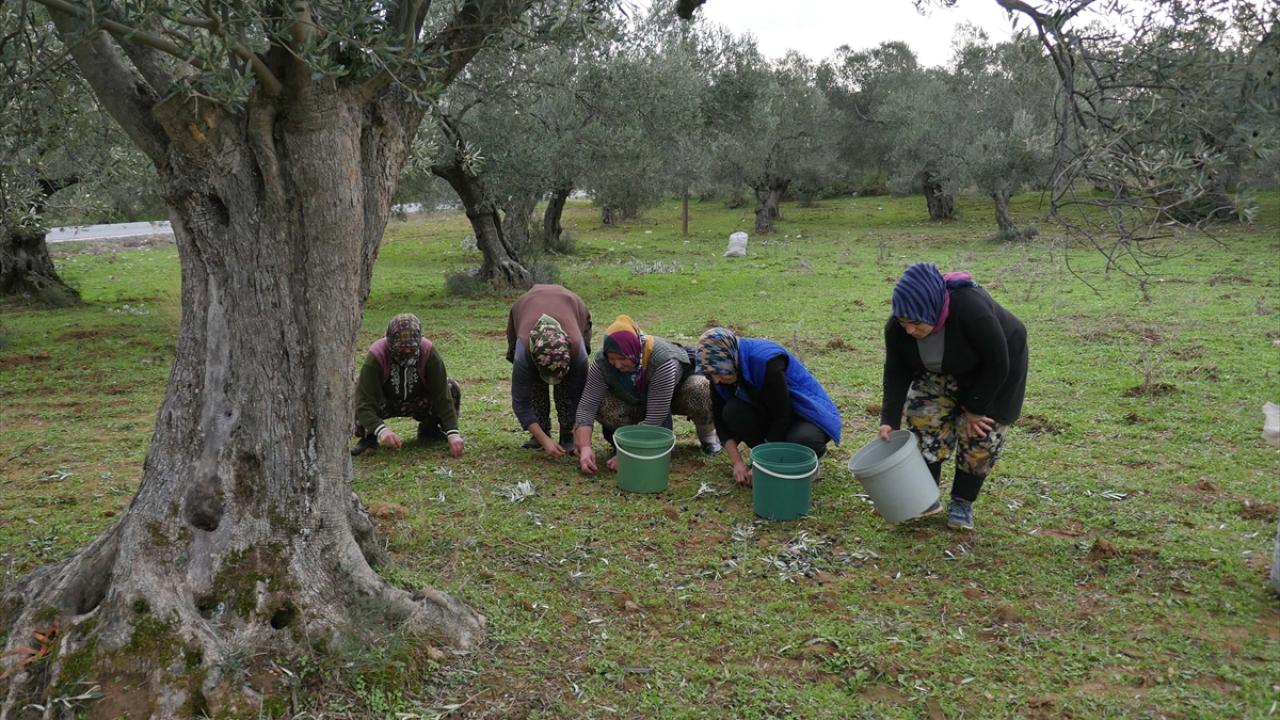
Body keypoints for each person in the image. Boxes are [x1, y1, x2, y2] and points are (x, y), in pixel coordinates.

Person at [878, 262, 1027, 530]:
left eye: (915, 323)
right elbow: (895, 371)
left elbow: (997, 363)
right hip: (942, 369)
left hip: (996, 370)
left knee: (980, 434)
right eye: (903, 323)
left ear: (932, 309)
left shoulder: (971, 310)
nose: (909, 330)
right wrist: (889, 418)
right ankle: (926, 495)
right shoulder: (897, 328)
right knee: (923, 419)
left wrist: (975, 408)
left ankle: (962, 501)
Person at [695, 327, 843, 487]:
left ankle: (804, 461)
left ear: (733, 357)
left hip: (803, 416)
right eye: (712, 375)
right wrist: (737, 462)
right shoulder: (717, 371)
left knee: (802, 439)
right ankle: (772, 457)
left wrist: (761, 464)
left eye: (721, 373)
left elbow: (782, 416)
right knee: (732, 411)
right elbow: (719, 419)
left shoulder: (765, 361)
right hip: (768, 413)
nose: (716, 380)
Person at [574, 315, 721, 474]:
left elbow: (656, 416)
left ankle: (708, 436)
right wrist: (585, 447)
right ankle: (623, 439)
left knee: (701, 387)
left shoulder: (662, 360)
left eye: (622, 358)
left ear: (633, 350)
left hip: (674, 395)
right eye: (612, 359)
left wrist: (628, 454)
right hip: (634, 398)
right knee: (602, 403)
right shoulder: (602, 362)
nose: (617, 364)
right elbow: (587, 407)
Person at [351, 313, 464, 458]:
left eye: (411, 349)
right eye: (401, 349)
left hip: (418, 401)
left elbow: (442, 395)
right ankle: (369, 438)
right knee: (358, 388)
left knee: (451, 386)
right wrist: (382, 431)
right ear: (390, 342)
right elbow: (364, 402)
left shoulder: (428, 352)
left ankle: (429, 429)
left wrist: (453, 433)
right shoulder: (377, 355)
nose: (407, 353)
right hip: (384, 402)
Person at [506, 284, 592, 458]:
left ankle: (567, 435)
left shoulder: (578, 352)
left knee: (569, 390)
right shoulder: (523, 352)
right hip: (527, 306)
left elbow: (580, 398)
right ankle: (540, 433)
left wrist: (580, 438)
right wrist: (544, 440)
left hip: (571, 305)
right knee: (534, 386)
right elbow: (521, 403)